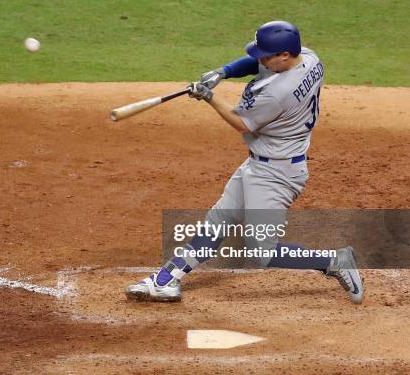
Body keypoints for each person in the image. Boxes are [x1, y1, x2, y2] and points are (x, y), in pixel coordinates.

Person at [125, 21, 364, 304]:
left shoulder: (278, 93)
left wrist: (209, 96)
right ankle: (166, 279)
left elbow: (242, 123)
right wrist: (223, 72)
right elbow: (256, 64)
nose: (260, 59)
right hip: (262, 164)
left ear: (284, 55)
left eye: (266, 55)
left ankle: (334, 260)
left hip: (277, 173)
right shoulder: (308, 58)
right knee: (219, 221)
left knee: (262, 252)